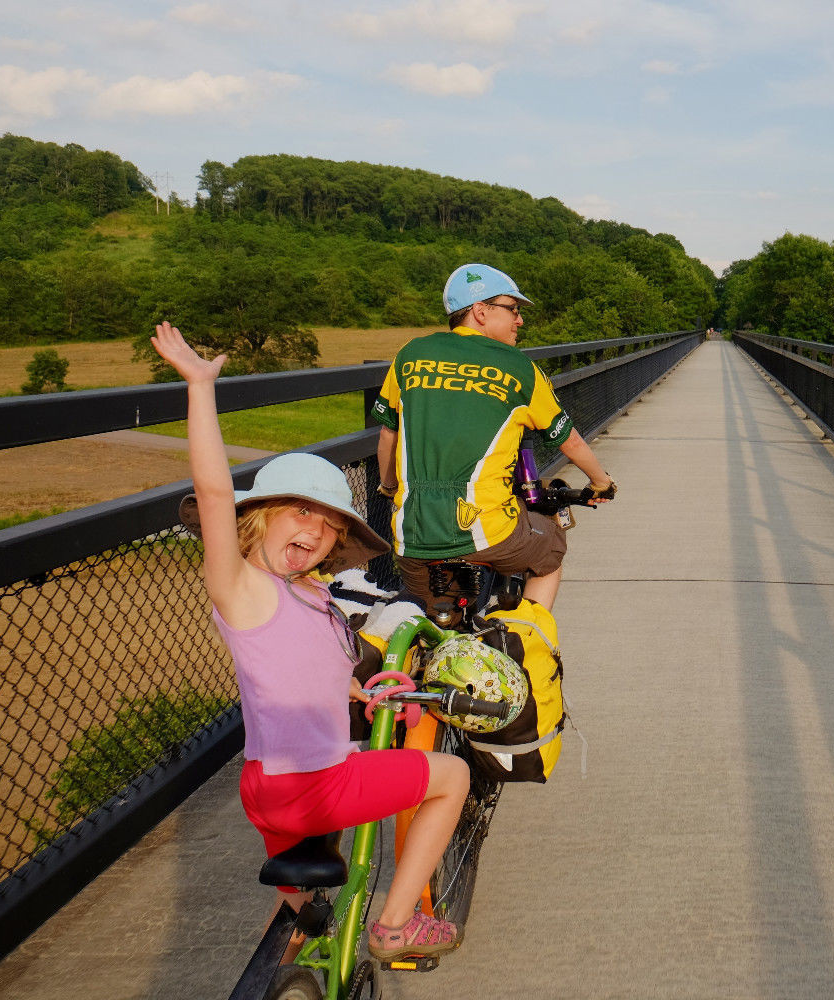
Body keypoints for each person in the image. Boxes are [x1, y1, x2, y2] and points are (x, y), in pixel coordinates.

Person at [151, 322, 470, 962]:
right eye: (300, 514)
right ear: (260, 516)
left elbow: (310, 668)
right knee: (452, 775)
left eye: (328, 528)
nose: (315, 533)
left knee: (302, 911)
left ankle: (285, 960)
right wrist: (199, 388)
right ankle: (395, 926)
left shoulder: (313, 595)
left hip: (266, 790)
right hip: (313, 785)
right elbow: (214, 494)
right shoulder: (244, 589)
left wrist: (359, 688)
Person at [371, 263, 615, 612]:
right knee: (551, 548)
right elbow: (570, 441)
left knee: (434, 623)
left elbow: (387, 433)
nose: (520, 320)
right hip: (487, 531)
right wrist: (601, 481)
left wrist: (390, 489)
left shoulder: (411, 355)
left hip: (413, 534)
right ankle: (527, 640)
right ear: (480, 311)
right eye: (513, 310)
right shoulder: (519, 368)